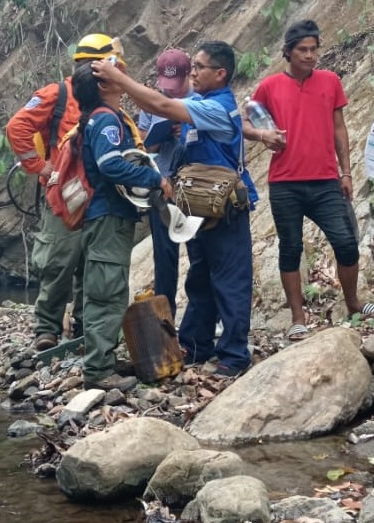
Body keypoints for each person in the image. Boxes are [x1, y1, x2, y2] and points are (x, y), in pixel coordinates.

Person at [92, 40, 258, 377]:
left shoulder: (218, 107)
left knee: (230, 279)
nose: (193, 73)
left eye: (199, 67)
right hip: (198, 205)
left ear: (220, 73)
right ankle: (197, 343)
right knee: (200, 276)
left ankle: (235, 354)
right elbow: (161, 105)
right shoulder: (198, 101)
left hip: (225, 207)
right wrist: (123, 89)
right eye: (193, 66)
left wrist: (118, 80)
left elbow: (164, 106)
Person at [243, 19, 371, 340]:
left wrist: (346, 171)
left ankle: (353, 302)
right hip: (285, 182)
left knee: (344, 241)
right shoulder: (270, 86)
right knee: (290, 247)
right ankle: (297, 318)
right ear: (288, 52)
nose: (311, 55)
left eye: (315, 49)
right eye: (303, 49)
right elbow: (243, 121)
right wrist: (262, 134)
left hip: (326, 180)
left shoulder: (330, 82)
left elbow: (339, 128)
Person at [5, 33, 124, 351]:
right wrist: (39, 166)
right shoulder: (57, 94)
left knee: (91, 263)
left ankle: (84, 326)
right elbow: (18, 127)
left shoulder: (109, 97)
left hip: (99, 194)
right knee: (59, 260)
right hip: (66, 194)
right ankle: (47, 328)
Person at [70, 62, 172, 391]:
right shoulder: (106, 120)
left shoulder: (98, 118)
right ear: (103, 86)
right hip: (108, 218)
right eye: (113, 74)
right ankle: (99, 371)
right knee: (107, 292)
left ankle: (103, 359)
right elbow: (110, 163)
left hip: (107, 218)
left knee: (107, 287)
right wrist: (154, 177)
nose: (120, 76)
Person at [136, 49, 191, 319]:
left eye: (177, 85)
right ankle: (166, 317)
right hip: (163, 188)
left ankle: (203, 315)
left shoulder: (200, 99)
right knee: (165, 257)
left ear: (189, 74)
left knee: (200, 254)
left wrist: (190, 129)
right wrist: (163, 133)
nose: (171, 92)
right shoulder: (151, 103)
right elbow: (143, 147)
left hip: (195, 187)